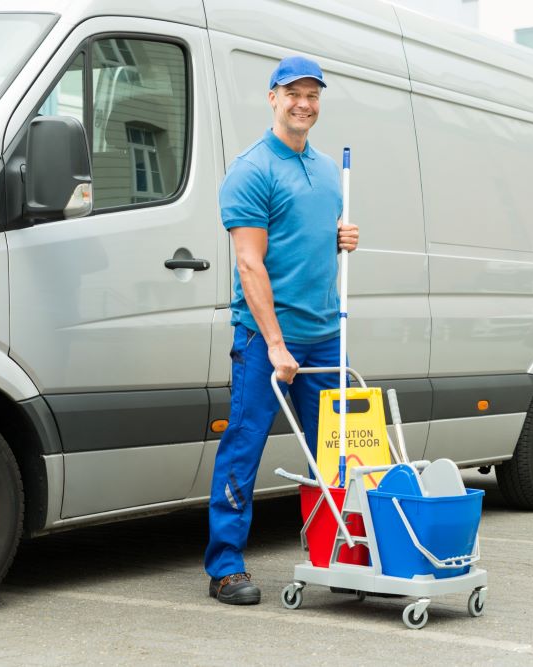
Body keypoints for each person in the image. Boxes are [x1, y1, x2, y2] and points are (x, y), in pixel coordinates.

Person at [205, 55, 359, 605]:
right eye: (293, 93)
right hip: (264, 340)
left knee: (335, 452)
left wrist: (341, 240)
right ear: (272, 97)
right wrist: (274, 343)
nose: (303, 103)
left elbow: (307, 241)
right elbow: (250, 264)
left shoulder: (323, 170)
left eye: (313, 95)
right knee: (243, 446)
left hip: (323, 334)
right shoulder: (252, 169)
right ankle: (225, 567)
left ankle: (335, 554)